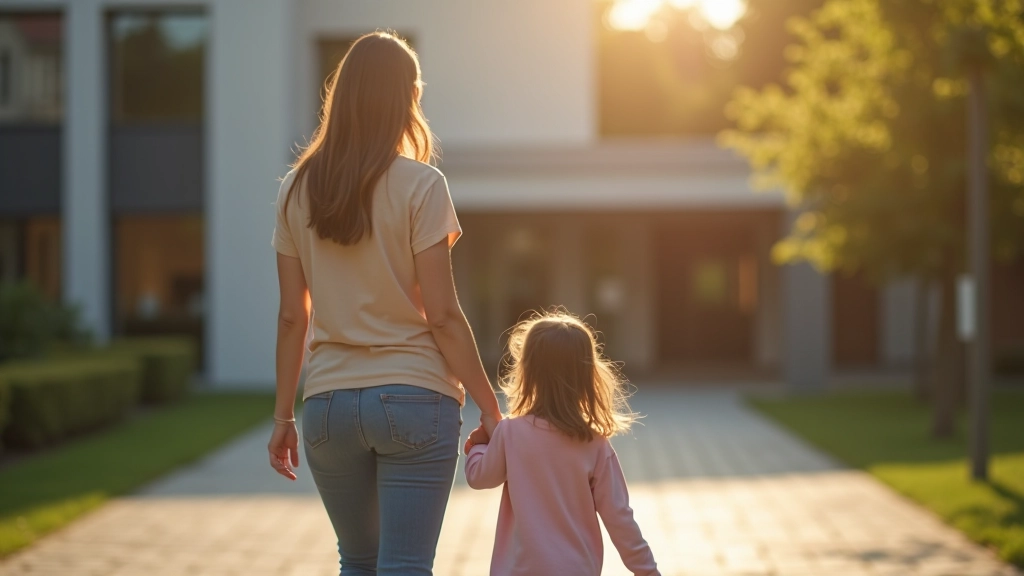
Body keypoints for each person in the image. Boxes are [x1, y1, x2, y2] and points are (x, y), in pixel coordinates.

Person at [267, 31, 503, 575]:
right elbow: (442, 315)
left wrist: (283, 416)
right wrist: (493, 411)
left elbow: (290, 316)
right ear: (406, 98)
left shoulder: (295, 190)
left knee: (358, 561)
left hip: (326, 406)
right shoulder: (422, 185)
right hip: (416, 397)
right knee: (405, 565)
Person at [464, 310, 660, 576]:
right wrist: (648, 572)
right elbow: (619, 518)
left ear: (528, 372)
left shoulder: (509, 433)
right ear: (587, 376)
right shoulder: (594, 443)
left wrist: (479, 446)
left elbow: (479, 477)